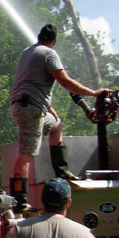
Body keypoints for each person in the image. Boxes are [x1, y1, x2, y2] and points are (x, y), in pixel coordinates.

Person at [9, 24, 109, 212]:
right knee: (26, 155)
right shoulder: (49, 53)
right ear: (54, 41)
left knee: (55, 125)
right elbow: (65, 81)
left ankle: (62, 173)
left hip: (23, 105)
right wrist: (94, 93)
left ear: (39, 37)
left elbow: (30, 84)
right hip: (31, 109)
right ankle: (19, 202)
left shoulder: (27, 52)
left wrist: (48, 107)